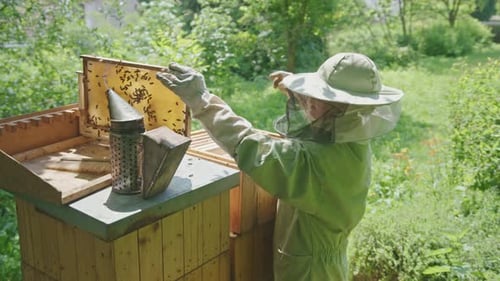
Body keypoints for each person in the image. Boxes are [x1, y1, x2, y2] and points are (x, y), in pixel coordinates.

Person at [156, 52, 404, 281]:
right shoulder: (353, 139)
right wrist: (299, 90)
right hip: (328, 260)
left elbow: (252, 146)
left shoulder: (314, 164)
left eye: (322, 99)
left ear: (346, 109)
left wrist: (203, 101)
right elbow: (325, 121)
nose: (311, 103)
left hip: (309, 272)